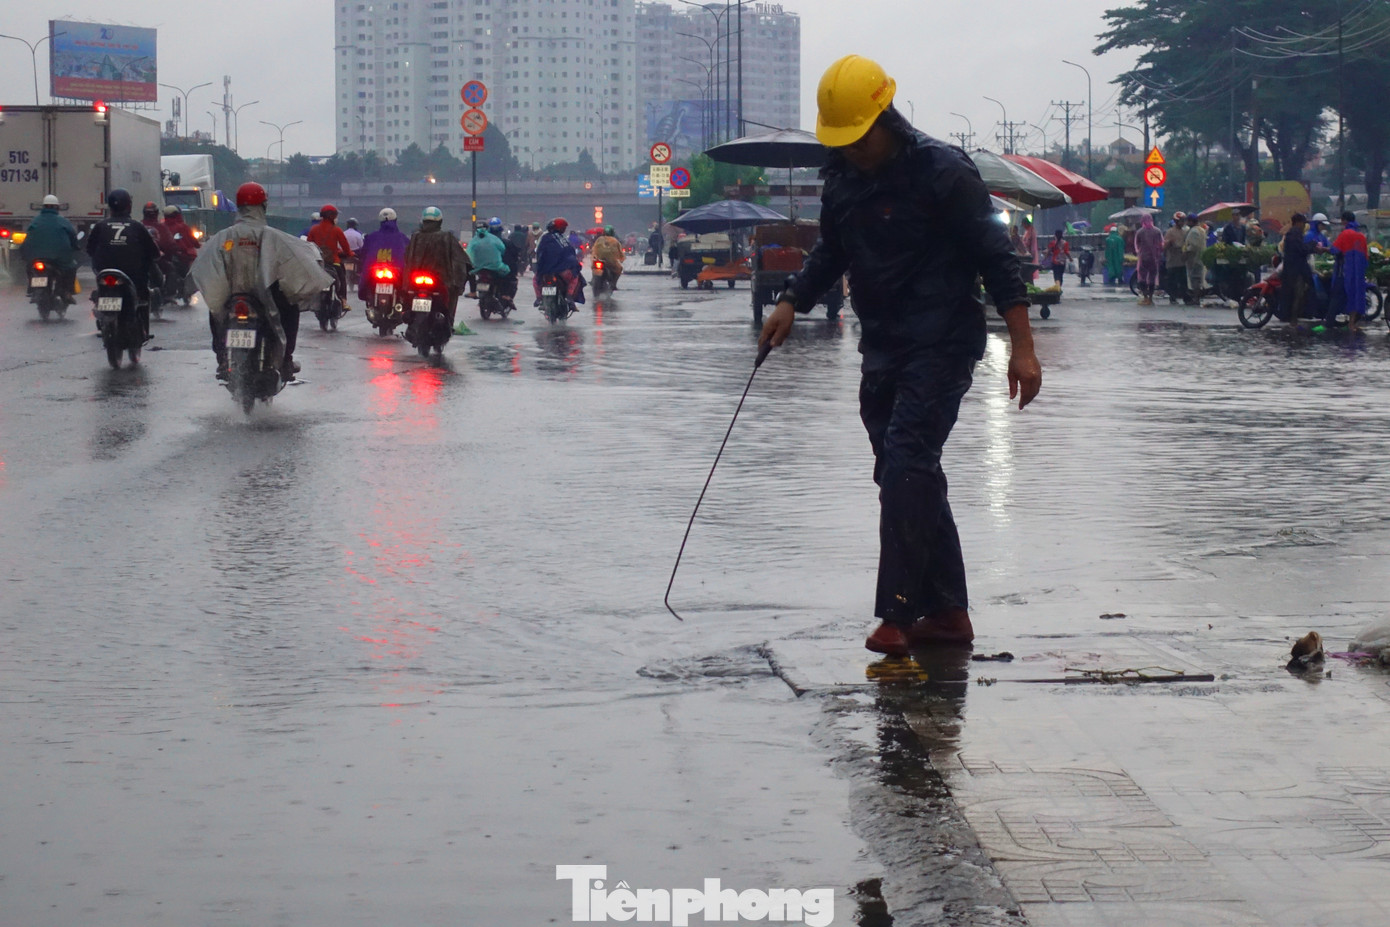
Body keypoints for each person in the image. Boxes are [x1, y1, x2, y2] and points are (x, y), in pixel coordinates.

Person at [757, 54, 1041, 657]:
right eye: (844, 143)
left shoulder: (944, 171)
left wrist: (1024, 348)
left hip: (943, 340)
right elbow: (831, 251)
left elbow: (997, 259)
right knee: (902, 470)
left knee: (909, 459)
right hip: (883, 343)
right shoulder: (842, 179)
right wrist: (791, 301)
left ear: (886, 117)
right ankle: (950, 613)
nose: (855, 152)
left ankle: (897, 614)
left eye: (862, 139)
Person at [191, 182, 329, 382]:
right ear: (263, 206)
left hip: (231, 295)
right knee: (290, 309)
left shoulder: (223, 237)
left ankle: (222, 358)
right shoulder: (273, 236)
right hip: (267, 297)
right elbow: (295, 261)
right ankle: (286, 359)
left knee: (216, 310)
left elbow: (205, 263)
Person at [86, 188, 160, 340]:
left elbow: (89, 249)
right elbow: (153, 252)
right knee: (143, 295)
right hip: (132, 275)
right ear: (129, 206)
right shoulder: (137, 226)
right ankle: (143, 331)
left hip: (104, 272)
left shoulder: (100, 226)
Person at [404, 206, 469, 326]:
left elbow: (406, 257)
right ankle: (448, 323)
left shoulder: (415, 237)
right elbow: (461, 260)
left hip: (415, 279)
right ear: (440, 221)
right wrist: (459, 282)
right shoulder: (447, 237)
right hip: (441, 280)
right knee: (451, 296)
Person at [19, 194, 80, 304]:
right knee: (71, 267)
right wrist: (75, 247)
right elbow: (72, 236)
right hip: (59, 256)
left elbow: (28, 238)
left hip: (35, 256)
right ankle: (66, 292)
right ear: (57, 207)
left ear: (43, 207)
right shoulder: (63, 221)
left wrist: (25, 254)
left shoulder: (35, 221)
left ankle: (32, 288)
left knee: (30, 267)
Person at [357, 207, 411, 301]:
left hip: (374, 271)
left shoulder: (372, 237)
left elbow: (363, 253)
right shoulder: (402, 237)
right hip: (397, 271)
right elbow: (409, 254)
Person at [306, 205, 354, 307]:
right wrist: (350, 254)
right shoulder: (337, 230)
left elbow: (308, 245)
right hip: (334, 262)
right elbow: (346, 247)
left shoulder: (314, 229)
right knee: (342, 278)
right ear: (332, 216)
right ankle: (343, 300)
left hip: (317, 263)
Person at [1331, 210, 1369, 332]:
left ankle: (1330, 322)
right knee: (1356, 295)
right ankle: (1351, 323)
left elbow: (1334, 250)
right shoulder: (1361, 236)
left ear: (1344, 221)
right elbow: (1366, 257)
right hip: (1358, 273)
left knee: (1340, 295)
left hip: (1345, 272)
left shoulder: (1345, 234)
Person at [534, 217, 586, 304]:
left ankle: (539, 298)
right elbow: (571, 255)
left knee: (536, 280)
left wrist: (540, 268)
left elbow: (540, 253)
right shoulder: (564, 239)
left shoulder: (545, 237)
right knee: (575, 277)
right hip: (563, 271)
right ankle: (569, 296)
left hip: (546, 271)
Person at [1280, 213, 1314, 328]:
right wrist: (1312, 246)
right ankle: (1293, 320)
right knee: (1297, 295)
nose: (1304, 225)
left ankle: (1293, 319)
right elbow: (1302, 249)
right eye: (1303, 223)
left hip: (1292, 269)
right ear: (1298, 223)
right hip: (1296, 270)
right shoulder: (1295, 234)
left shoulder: (1293, 233)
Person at [1134, 214, 1163, 305]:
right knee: (1152, 278)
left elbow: (1136, 245)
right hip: (1154, 258)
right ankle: (1150, 297)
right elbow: (1161, 244)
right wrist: (1158, 253)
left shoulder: (1140, 232)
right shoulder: (1157, 231)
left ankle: (1145, 297)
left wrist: (1139, 252)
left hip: (1143, 258)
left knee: (1142, 277)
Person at [162, 205, 201, 272]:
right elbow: (193, 241)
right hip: (185, 257)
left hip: (167, 257)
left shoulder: (162, 227)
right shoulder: (183, 227)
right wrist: (198, 245)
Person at [1183, 213, 1207, 304]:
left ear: (1191, 221)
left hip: (1194, 258)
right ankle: (1196, 297)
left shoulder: (1194, 231)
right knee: (1198, 278)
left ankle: (1196, 298)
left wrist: (1186, 252)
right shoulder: (1202, 230)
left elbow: (1193, 246)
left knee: (1195, 279)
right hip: (1201, 257)